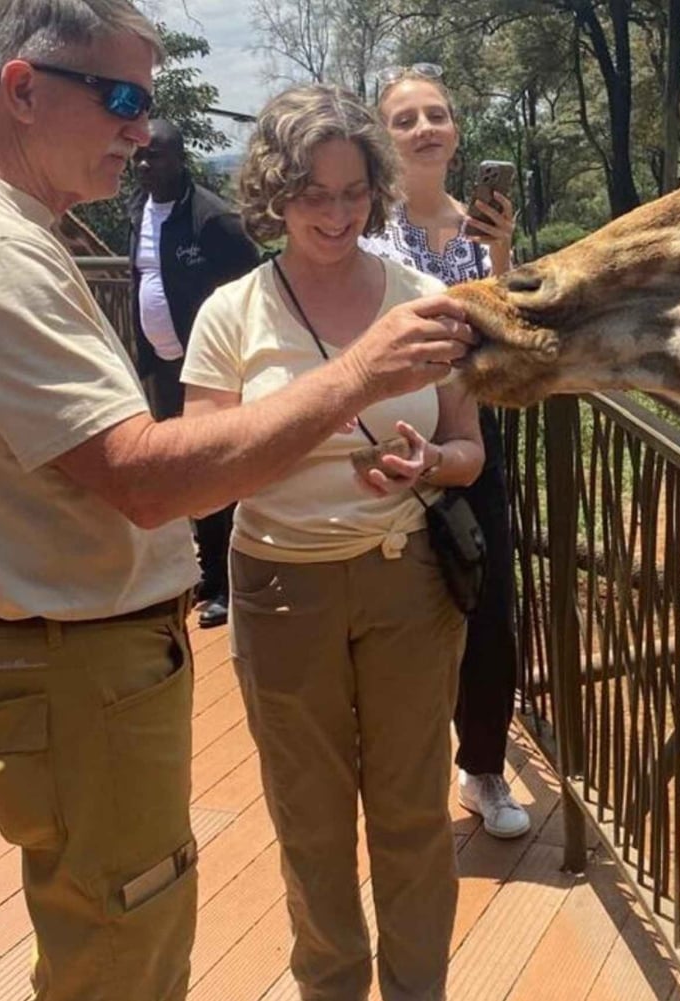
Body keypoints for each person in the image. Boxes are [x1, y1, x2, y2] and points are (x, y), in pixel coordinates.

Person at [0, 3, 474, 999]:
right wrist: (356, 379)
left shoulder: (11, 235)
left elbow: (464, 443)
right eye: (118, 98)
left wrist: (426, 456)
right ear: (22, 91)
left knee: (132, 928)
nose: (138, 128)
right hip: (91, 656)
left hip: (113, 651)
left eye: (146, 103)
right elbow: (153, 475)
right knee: (128, 939)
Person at [182, 84, 483, 1001]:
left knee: (411, 816)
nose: (337, 213)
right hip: (280, 591)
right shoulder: (231, 314)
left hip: (407, 584)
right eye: (314, 192)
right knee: (311, 825)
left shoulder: (427, 300)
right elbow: (204, 467)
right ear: (275, 191)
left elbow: (470, 451)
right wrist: (343, 393)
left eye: (354, 192)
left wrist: (430, 461)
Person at [365, 65, 531, 840]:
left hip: (473, 439)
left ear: (457, 131)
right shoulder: (366, 231)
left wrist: (502, 265)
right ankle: (400, 770)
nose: (425, 128)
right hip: (386, 435)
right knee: (397, 608)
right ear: (384, 135)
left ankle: (485, 769)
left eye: (437, 114)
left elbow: (510, 339)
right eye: (406, 119)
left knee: (489, 603)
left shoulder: (479, 230)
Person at [127, 118, 260, 628]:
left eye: (154, 155)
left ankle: (231, 581)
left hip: (209, 368)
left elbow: (250, 288)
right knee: (186, 470)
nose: (143, 164)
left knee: (218, 470)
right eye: (139, 155)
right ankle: (208, 570)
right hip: (162, 364)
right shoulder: (138, 209)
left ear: (180, 159)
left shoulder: (213, 219)